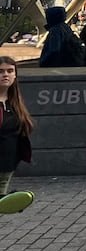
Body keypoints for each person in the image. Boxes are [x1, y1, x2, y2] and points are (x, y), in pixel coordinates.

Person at [0, 56, 34, 198]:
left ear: (15, 75)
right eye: (1, 71)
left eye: (10, 71)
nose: (5, 75)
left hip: (7, 165)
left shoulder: (15, 103)